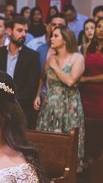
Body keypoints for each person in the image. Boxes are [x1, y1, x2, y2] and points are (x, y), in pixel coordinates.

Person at [35, 26, 86, 161]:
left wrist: (55, 67)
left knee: (68, 138)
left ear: (65, 39)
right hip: (50, 105)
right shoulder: (51, 58)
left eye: (56, 36)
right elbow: (42, 78)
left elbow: (70, 81)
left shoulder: (77, 58)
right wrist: (37, 95)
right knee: (48, 138)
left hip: (69, 104)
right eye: (52, 35)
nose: (51, 38)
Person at [0, 16, 40, 126]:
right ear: (9, 31)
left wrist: (11, 102)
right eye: (20, 30)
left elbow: (32, 86)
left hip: (21, 110)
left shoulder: (32, 56)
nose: (24, 34)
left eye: (25, 31)